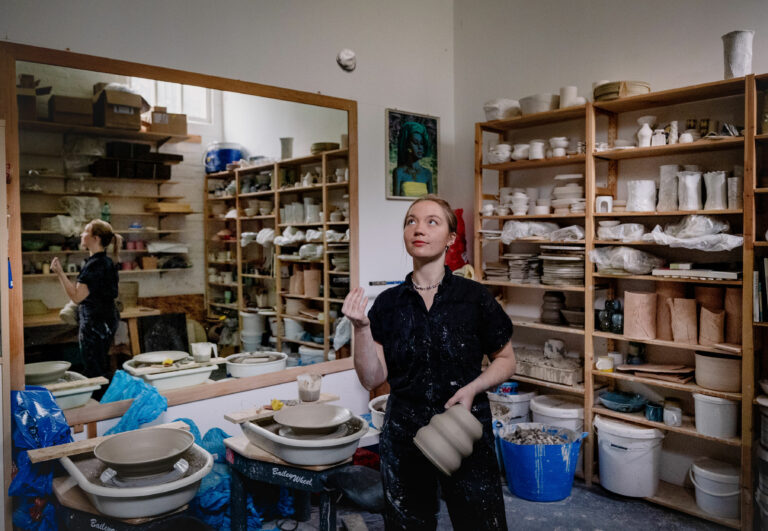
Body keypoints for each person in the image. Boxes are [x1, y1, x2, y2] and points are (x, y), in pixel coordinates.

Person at [342, 195, 515, 530]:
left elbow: (506, 360)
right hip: (405, 433)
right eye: (411, 221)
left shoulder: (474, 298)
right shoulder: (389, 305)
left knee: (481, 522)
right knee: (409, 524)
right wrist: (361, 328)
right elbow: (371, 377)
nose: (418, 228)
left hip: (465, 428)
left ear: (451, 238)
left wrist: (473, 388)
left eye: (431, 221)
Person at [51, 220, 122, 378]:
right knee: (100, 365)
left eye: (86, 232)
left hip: (95, 322)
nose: (81, 235)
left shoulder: (94, 265)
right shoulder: (107, 262)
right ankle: (103, 400)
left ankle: (98, 401)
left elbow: (77, 297)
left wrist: (60, 273)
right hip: (106, 319)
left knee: (94, 369)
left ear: (96, 238)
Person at [392, 121, 434, 197]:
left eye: (421, 143)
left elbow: (431, 201)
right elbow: (395, 201)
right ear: (407, 145)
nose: (420, 147)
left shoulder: (427, 173)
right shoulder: (399, 172)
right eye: (415, 143)